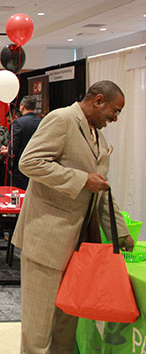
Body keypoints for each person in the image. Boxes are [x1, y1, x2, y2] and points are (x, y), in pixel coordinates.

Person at [12, 81, 133, 353]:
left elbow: (101, 188)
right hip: (46, 241)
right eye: (114, 111)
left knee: (66, 328)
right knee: (38, 330)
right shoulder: (62, 119)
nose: (114, 119)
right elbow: (29, 162)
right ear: (98, 100)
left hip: (77, 247)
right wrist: (81, 179)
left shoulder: (98, 137)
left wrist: (120, 232)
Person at [9, 96, 42, 190]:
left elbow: (14, 146)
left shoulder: (18, 123)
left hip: (20, 164)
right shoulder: (41, 122)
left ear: (22, 107)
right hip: (36, 163)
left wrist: (9, 162)